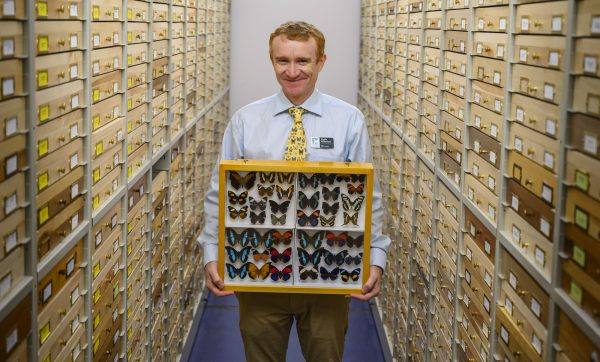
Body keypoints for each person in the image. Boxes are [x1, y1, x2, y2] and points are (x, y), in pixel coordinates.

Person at [197, 21, 391, 362]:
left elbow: (365, 198)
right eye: (282, 60)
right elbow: (220, 193)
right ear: (271, 61)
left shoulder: (349, 120)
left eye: (302, 61)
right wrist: (212, 251)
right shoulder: (245, 120)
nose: (292, 71)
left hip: (329, 275)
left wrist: (375, 257)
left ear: (321, 62)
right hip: (259, 274)